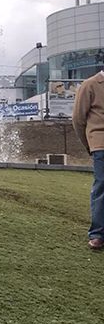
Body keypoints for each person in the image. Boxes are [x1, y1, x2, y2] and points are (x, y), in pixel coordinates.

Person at [72, 71, 104, 250]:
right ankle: (97, 234)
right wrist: (89, 144)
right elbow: (78, 119)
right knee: (101, 187)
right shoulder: (90, 85)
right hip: (100, 144)